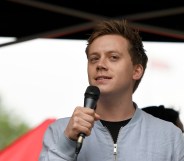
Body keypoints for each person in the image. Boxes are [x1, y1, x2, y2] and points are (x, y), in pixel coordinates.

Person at [39, 18, 184, 161]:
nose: (100, 64)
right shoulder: (60, 131)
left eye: (113, 57)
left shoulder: (170, 137)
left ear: (136, 71)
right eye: (94, 58)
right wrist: (66, 143)